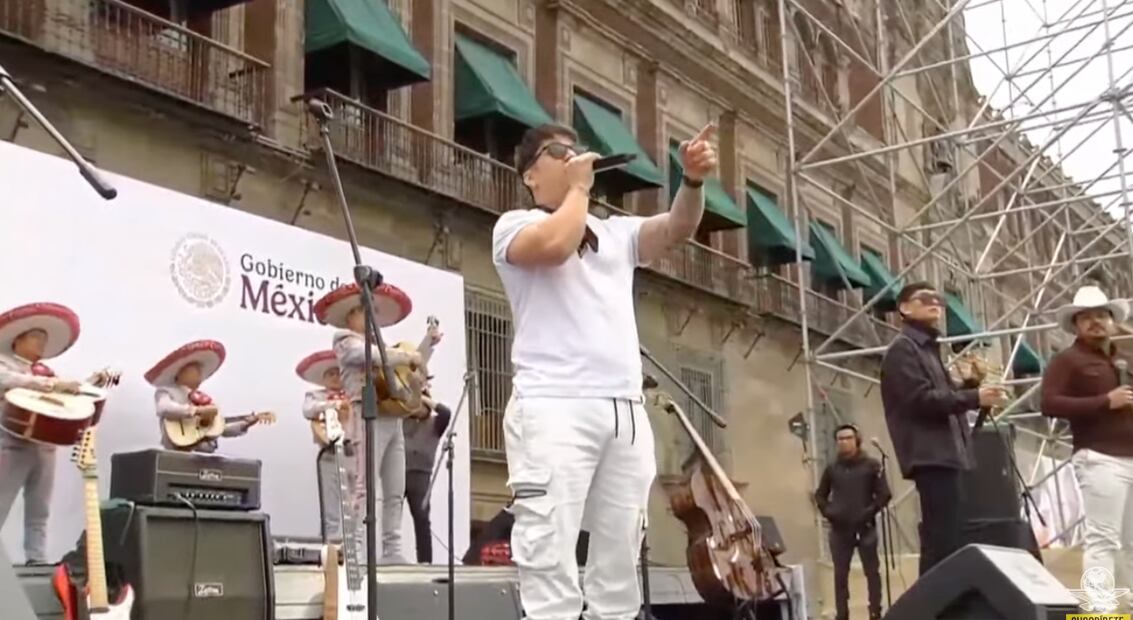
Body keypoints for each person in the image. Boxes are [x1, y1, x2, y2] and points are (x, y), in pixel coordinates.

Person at [491, 121, 716, 619]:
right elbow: (554, 247)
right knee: (549, 552)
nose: (575, 157)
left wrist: (693, 181)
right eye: (560, 152)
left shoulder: (616, 233)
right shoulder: (513, 225)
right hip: (553, 406)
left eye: (578, 151)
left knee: (619, 560)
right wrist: (578, 188)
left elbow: (677, 227)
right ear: (531, 175)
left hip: (624, 410)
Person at [879, 282, 1007, 576]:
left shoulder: (927, 350)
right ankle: (932, 604)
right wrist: (975, 397)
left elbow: (944, 397)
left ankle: (943, 600)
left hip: (948, 453)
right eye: (924, 299)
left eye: (938, 299)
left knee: (950, 536)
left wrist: (971, 385)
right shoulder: (902, 350)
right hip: (930, 455)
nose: (934, 303)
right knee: (941, 538)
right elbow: (921, 400)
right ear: (904, 308)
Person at [314, 281, 432, 565]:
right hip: (365, 417)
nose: (371, 318)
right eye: (365, 312)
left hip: (392, 420)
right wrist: (406, 356)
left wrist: (421, 356)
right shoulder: (344, 340)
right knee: (364, 488)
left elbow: (406, 379)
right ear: (351, 316)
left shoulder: (381, 348)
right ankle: (354, 548)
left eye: (372, 313)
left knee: (394, 490)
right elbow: (371, 355)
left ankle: (392, 550)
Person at [1041, 285, 1133, 584]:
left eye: (1102, 315)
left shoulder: (1125, 361)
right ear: (1076, 325)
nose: (1096, 321)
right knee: (1103, 539)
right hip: (1099, 458)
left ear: (1112, 320)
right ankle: (1100, 610)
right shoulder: (1067, 360)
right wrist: (1105, 401)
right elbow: (1049, 403)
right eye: (1087, 317)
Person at [0, 302, 85, 565]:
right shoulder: (4, 363)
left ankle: (36, 559)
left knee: (40, 509)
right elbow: (6, 380)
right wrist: (49, 384)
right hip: (13, 442)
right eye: (36, 338)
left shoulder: (49, 374)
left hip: (44, 446)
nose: (40, 345)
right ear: (18, 339)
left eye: (44, 341)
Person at [814, 424, 891, 620]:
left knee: (872, 573)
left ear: (857, 440)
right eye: (840, 439)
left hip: (865, 527)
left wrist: (869, 512)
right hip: (840, 530)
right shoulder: (832, 468)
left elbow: (884, 494)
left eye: (848, 438)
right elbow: (820, 496)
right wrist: (830, 512)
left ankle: (875, 612)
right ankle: (842, 615)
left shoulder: (872, 465)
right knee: (840, 576)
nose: (844, 442)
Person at [147, 339, 260, 453]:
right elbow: (163, 408)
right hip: (175, 452)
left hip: (202, 455)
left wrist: (245, 424)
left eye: (199, 371)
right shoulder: (167, 391)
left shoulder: (203, 399)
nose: (199, 374)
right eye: (195, 370)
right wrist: (196, 410)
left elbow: (220, 429)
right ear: (180, 372)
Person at [296, 350, 353, 542]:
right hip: (328, 454)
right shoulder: (316, 396)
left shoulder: (355, 394)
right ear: (323, 378)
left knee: (356, 505)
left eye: (339, 373)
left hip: (354, 455)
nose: (336, 377)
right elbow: (307, 410)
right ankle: (330, 551)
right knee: (331, 507)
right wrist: (333, 405)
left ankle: (357, 550)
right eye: (331, 374)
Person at [403, 404, 451, 563]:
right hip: (399, 471)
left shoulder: (435, 424)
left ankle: (425, 561)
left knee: (422, 518)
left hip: (421, 475)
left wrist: (423, 397)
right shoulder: (402, 421)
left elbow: (446, 413)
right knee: (390, 514)